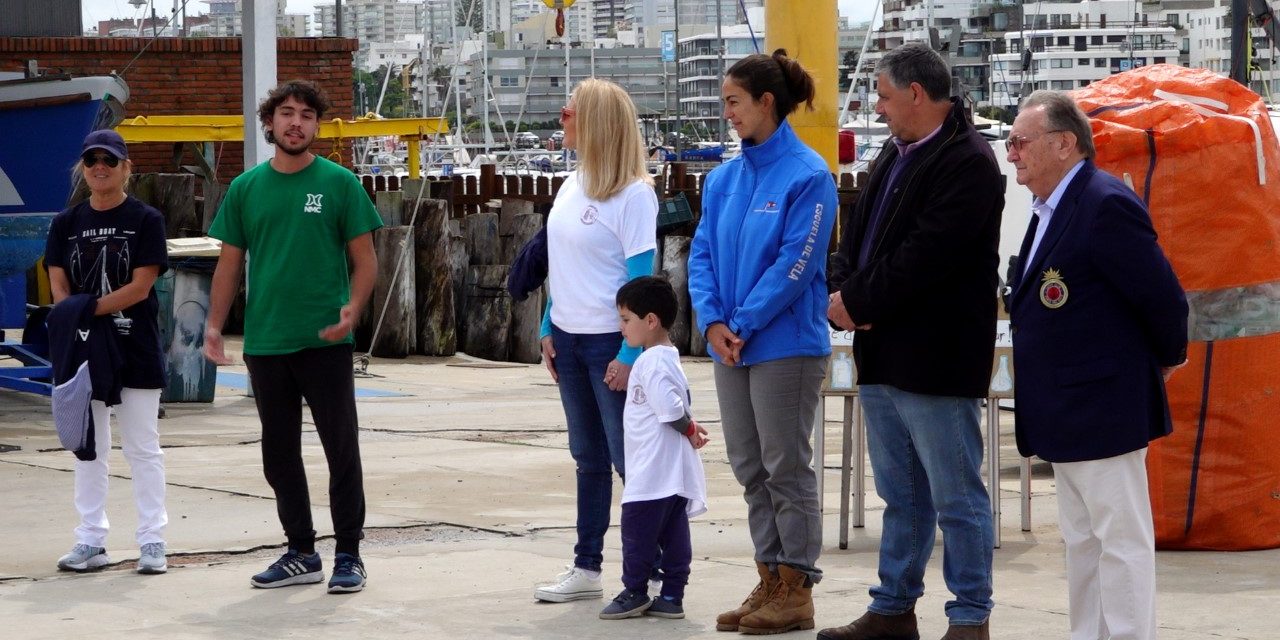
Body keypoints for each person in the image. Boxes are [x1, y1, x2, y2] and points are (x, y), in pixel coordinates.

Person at [821, 42, 1002, 640]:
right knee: (901, 496)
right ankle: (894, 609)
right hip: (883, 355)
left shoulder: (968, 161)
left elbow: (928, 255)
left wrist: (858, 303)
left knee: (956, 497)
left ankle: (970, 617)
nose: (876, 108)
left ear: (917, 94)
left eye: (882, 95)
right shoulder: (893, 153)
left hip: (936, 359)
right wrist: (843, 292)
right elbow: (856, 236)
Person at [1005, 90, 1188, 640]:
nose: (1011, 153)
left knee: (1120, 540)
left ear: (1064, 144)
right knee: (1082, 541)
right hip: (1064, 409)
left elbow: (1163, 299)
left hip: (1104, 404)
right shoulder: (1049, 209)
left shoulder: (1103, 203)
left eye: (1020, 141)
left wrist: (1164, 360)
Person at [203, 80, 382, 594]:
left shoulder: (340, 183)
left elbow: (366, 261)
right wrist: (213, 326)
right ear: (270, 123)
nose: (296, 122)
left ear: (317, 126)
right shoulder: (245, 189)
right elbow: (228, 266)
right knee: (279, 454)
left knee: (340, 449)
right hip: (266, 342)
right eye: (286, 113)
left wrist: (352, 310)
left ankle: (348, 554)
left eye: (306, 114)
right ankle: (301, 551)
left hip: (325, 342)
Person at [687, 49, 836, 636]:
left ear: (766, 102)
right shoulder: (722, 179)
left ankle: (797, 587)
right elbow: (701, 253)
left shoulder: (808, 175)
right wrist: (712, 322)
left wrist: (743, 323)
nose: (727, 113)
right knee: (750, 466)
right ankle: (769, 575)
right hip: (730, 345)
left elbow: (797, 264)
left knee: (785, 467)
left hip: (784, 345)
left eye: (734, 102)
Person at [532, 78, 659, 603]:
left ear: (598, 122)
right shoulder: (570, 184)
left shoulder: (634, 195)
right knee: (587, 457)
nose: (561, 117)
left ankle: (651, 568)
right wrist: (547, 325)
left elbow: (641, 282)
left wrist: (629, 353)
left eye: (571, 111)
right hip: (568, 338)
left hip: (610, 342)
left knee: (630, 460)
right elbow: (561, 265)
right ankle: (587, 566)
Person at [45, 129, 170, 575]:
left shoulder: (146, 219)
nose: (100, 167)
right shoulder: (65, 223)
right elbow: (58, 284)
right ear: (83, 168)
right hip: (82, 350)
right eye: (92, 160)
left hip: (135, 346)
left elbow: (140, 287)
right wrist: (76, 316)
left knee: (143, 446)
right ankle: (90, 539)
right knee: (88, 446)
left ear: (125, 168)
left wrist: (85, 309)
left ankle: (153, 540)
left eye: (110, 160)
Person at [598, 276, 709, 621]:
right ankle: (672, 595)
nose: (621, 327)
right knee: (674, 533)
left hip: (652, 470)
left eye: (625, 319)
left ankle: (635, 591)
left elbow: (671, 410)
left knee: (637, 530)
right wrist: (690, 427)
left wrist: (689, 428)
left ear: (650, 320)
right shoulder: (668, 357)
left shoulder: (651, 362)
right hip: (672, 472)